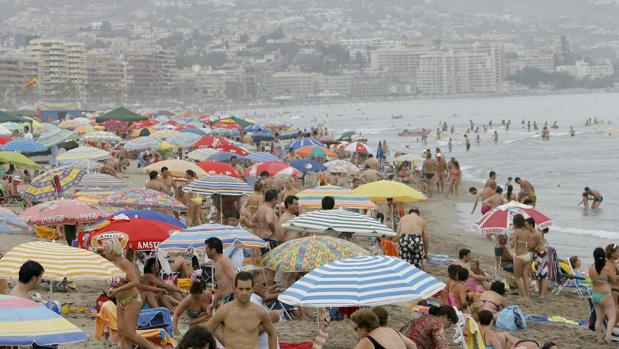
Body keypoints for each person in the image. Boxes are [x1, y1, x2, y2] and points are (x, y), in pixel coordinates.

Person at [102, 238, 157, 349]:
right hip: (120, 301)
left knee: (130, 334)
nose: (104, 252)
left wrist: (117, 290)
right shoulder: (112, 263)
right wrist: (112, 288)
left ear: (112, 250)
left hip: (132, 300)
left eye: (106, 250)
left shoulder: (123, 262)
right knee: (122, 332)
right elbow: (119, 282)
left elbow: (135, 281)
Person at [206, 272, 277, 349]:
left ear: (252, 289)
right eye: (241, 289)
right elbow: (205, 333)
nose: (244, 293)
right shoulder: (224, 311)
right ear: (235, 289)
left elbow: (272, 334)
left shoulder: (260, 312)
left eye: (247, 289)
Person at [248, 268, 281, 349]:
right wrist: (271, 319)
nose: (267, 287)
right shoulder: (252, 302)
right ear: (254, 286)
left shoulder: (256, 299)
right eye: (264, 284)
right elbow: (249, 333)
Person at [350, 309, 417, 349]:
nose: (356, 331)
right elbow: (413, 345)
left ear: (363, 326)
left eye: (355, 328)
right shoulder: (391, 330)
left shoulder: (367, 341)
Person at [590, 247, 617, 344]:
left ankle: (599, 338)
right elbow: (614, 280)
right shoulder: (606, 268)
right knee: (612, 317)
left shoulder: (591, 268)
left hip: (595, 295)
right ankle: (608, 337)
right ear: (604, 255)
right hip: (605, 295)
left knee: (599, 319)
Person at [205, 237, 237, 305]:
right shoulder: (218, 263)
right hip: (227, 298)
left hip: (231, 298)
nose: (206, 252)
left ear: (213, 250)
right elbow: (222, 289)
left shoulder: (223, 260)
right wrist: (213, 304)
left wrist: (235, 298)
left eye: (207, 249)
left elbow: (235, 277)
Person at [511, 214, 531, 299]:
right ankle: (528, 294)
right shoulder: (527, 232)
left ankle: (524, 296)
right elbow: (528, 244)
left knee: (517, 277)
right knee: (525, 276)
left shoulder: (516, 231)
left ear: (515, 222)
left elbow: (512, 245)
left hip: (519, 256)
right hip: (527, 255)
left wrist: (511, 238)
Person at [527, 218, 549, 298]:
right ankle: (540, 293)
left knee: (544, 275)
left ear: (531, 225)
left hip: (541, 254)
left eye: (526, 224)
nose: (525, 226)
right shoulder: (532, 233)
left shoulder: (536, 234)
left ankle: (542, 295)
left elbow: (531, 246)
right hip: (537, 254)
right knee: (539, 275)